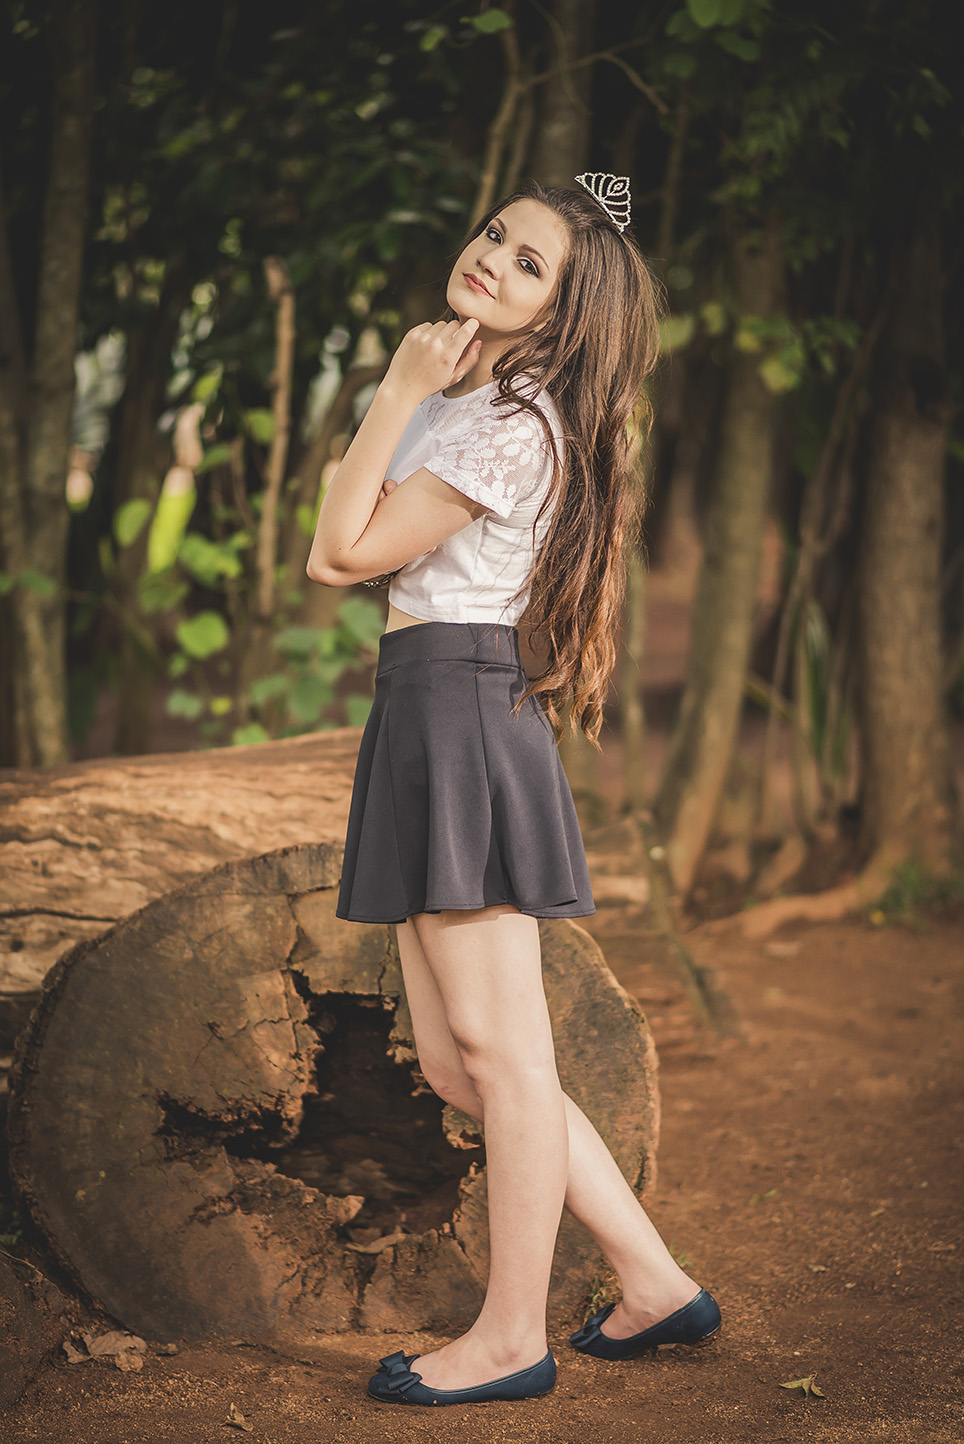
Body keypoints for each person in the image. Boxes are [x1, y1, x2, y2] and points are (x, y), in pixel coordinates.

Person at [306, 175, 721, 1408]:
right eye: (496, 233)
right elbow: (350, 541)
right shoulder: (475, 397)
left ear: (562, 316)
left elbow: (338, 553)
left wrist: (391, 391)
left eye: (529, 263)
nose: (492, 258)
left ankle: (509, 1337)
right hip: (425, 704)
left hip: (459, 707)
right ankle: (649, 1280)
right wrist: (412, 396)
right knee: (460, 1060)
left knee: (504, 1052)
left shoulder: (502, 420)